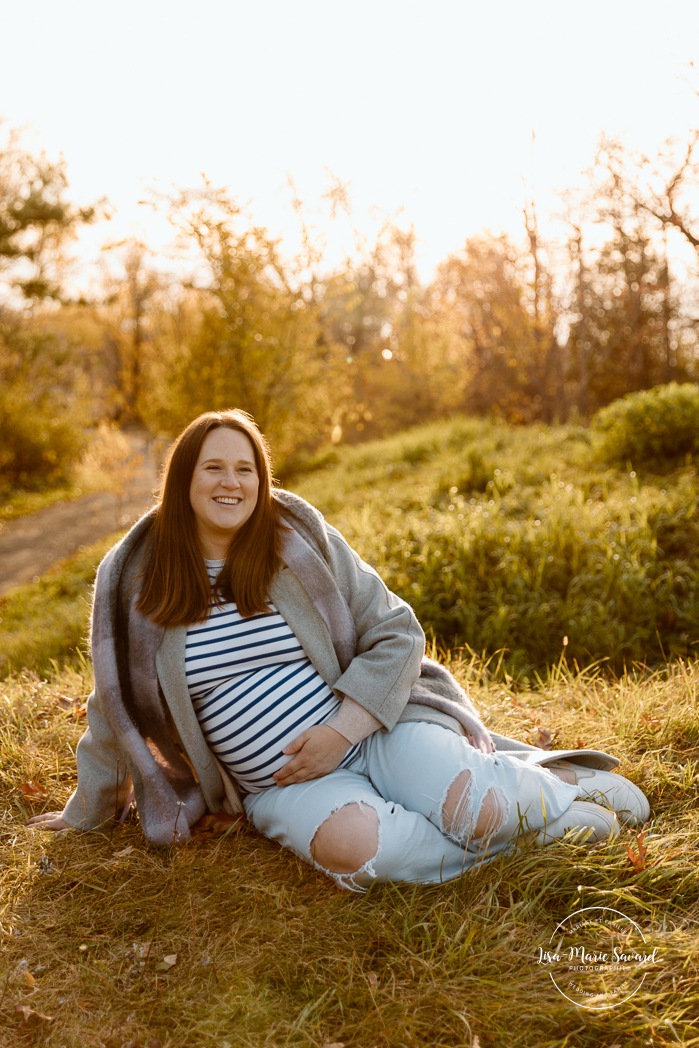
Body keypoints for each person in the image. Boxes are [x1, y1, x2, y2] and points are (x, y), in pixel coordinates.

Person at [28, 410, 650, 890]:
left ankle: (563, 783)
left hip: (374, 731)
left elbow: (397, 631)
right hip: (281, 786)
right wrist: (85, 811)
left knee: (478, 809)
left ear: (261, 481)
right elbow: (114, 704)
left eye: (245, 469)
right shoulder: (138, 579)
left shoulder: (295, 543)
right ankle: (543, 832)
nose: (231, 482)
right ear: (183, 477)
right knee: (358, 852)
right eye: (213, 467)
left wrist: (342, 730)